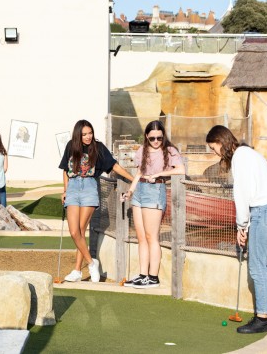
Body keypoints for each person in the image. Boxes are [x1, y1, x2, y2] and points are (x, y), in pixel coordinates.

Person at [206, 125, 267, 334]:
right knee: (263, 266)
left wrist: (242, 226)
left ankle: (262, 319)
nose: (216, 154)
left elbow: (242, 194)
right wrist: (247, 227)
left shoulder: (240, 158)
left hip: (263, 213)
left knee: (257, 268)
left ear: (221, 143)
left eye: (214, 149)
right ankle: (263, 315)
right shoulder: (251, 153)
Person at [58, 119, 133, 282]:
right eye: (84, 134)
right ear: (78, 134)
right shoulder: (71, 146)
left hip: (89, 187)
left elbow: (114, 166)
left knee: (80, 229)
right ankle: (92, 263)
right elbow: (65, 169)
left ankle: (77, 270)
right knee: (74, 232)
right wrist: (65, 190)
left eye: (90, 133)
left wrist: (133, 179)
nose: (87, 137)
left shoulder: (98, 148)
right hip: (73, 188)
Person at [123, 120, 185, 289]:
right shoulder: (142, 150)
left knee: (152, 236)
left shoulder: (170, 151)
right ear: (146, 137)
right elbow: (139, 173)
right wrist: (130, 191)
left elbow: (180, 170)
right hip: (140, 191)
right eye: (152, 138)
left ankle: (153, 277)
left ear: (163, 136)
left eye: (159, 138)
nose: (156, 141)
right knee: (141, 237)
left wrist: (160, 173)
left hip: (155, 189)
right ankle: (143, 274)